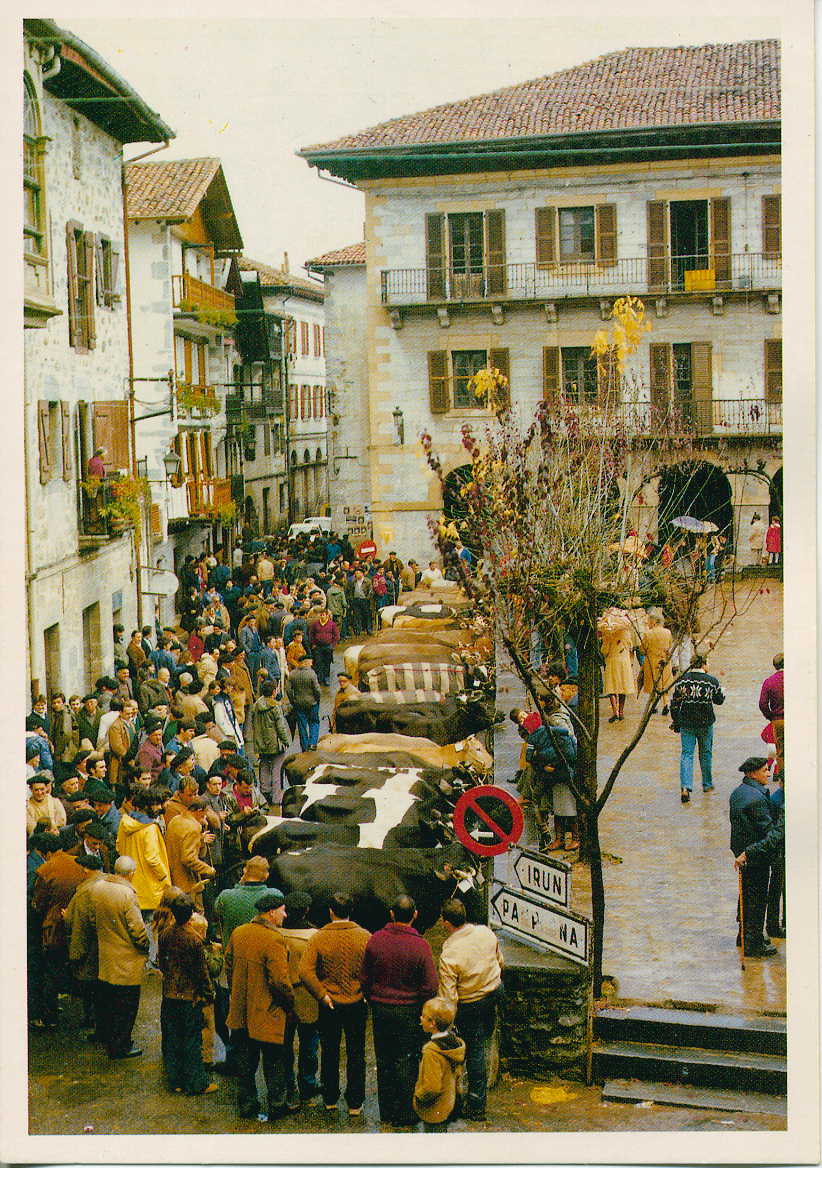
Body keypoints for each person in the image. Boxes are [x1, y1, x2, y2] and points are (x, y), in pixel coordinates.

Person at [361, 893, 439, 1127]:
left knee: (384, 1059)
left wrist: (372, 998)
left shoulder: (375, 940)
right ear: (415, 916)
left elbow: (365, 978)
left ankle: (387, 1111)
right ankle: (406, 1112)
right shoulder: (421, 946)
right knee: (407, 1060)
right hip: (410, 1011)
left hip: (381, 1009)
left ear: (392, 914)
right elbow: (431, 986)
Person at [226, 890, 295, 1122]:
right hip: (267, 1012)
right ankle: (277, 1105)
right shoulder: (274, 939)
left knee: (245, 1064)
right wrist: (289, 1004)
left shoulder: (238, 932)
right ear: (272, 912)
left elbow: (229, 965)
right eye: (283, 911)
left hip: (240, 1010)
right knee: (274, 1063)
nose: (285, 915)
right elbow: (280, 981)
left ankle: (247, 1106)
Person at [299, 892, 370, 1117]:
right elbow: (374, 968)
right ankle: (355, 1103)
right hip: (357, 1002)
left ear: (331, 912)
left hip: (329, 1003)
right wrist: (366, 991)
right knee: (356, 1053)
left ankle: (330, 1098)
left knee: (329, 1051)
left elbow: (304, 971)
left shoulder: (319, 937)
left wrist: (321, 994)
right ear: (352, 911)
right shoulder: (365, 936)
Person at [437, 897, 504, 1122]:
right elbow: (499, 961)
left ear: (446, 923)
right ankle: (486, 1082)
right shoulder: (485, 932)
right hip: (494, 992)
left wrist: (445, 1023)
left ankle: (476, 1105)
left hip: (472, 1002)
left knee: (474, 1051)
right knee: (485, 1040)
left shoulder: (449, 953)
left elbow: (449, 997)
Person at [213, 855, 273, 1077]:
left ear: (245, 872)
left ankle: (233, 1058)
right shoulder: (273, 896)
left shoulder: (226, 897)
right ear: (266, 874)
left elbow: (217, 913)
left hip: (233, 966)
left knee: (231, 1016)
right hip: (263, 968)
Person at [89, 855, 150, 1058]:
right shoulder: (127, 894)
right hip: (127, 960)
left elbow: (91, 918)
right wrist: (146, 947)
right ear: (131, 874)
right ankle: (121, 1045)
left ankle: (108, 1038)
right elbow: (138, 930)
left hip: (105, 955)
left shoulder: (98, 887)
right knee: (127, 1008)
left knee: (108, 1003)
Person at [158, 893, 218, 1096]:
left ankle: (175, 1080)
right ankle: (196, 1083)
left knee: (172, 1039)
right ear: (191, 913)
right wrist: (208, 994)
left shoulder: (165, 933)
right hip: (189, 996)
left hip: (169, 994)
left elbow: (163, 962)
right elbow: (201, 972)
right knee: (192, 1041)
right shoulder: (194, 939)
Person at [729, 757, 780, 958]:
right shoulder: (757, 798)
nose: (769, 774)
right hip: (756, 855)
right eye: (765, 770)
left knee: (746, 894)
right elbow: (767, 829)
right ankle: (753, 943)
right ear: (752, 773)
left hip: (741, 850)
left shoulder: (738, 792)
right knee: (757, 899)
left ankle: (744, 935)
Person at [280, 891, 321, 1110]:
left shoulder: (276, 933)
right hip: (308, 999)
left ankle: (289, 1088)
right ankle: (307, 1085)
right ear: (306, 910)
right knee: (309, 1045)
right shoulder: (315, 935)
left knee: (285, 1046)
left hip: (283, 998)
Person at [669, 652, 725, 802]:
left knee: (687, 754)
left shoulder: (681, 681)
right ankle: (707, 784)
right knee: (706, 753)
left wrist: (676, 721)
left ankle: (685, 787)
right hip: (705, 723)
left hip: (687, 723)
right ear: (704, 663)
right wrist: (722, 692)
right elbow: (719, 701)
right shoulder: (711, 681)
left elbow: (674, 703)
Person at [116, 789, 172, 936]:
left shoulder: (124, 823)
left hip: (129, 885)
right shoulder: (151, 828)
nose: (159, 808)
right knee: (151, 933)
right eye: (155, 804)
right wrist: (164, 879)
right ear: (145, 806)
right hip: (150, 889)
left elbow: (119, 847)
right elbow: (152, 858)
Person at [64, 852, 106, 1037]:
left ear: (86, 869)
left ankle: (92, 1020)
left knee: (90, 985)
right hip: (104, 945)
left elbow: (74, 921)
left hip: (89, 947)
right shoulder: (108, 883)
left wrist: (66, 916)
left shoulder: (84, 891)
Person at [413, 997, 466, 1133]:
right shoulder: (454, 1044)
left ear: (432, 1023)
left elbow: (431, 1087)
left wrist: (418, 1095)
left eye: (424, 1016)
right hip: (448, 1103)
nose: (420, 1018)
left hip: (434, 1109)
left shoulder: (431, 1052)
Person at [164, 796, 216, 909]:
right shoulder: (193, 828)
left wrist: (201, 839)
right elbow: (188, 858)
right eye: (205, 812)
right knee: (195, 917)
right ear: (199, 811)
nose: (206, 815)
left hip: (173, 878)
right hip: (188, 884)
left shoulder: (176, 820)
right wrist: (208, 870)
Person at [250, 680, 292, 808]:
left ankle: (264, 792)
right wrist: (286, 741)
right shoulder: (275, 707)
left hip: (261, 743)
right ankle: (276, 797)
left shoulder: (256, 705)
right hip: (275, 743)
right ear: (274, 692)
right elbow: (281, 727)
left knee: (264, 766)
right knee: (276, 768)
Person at [597, 608, 636, 722]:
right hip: (624, 661)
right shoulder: (626, 631)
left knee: (612, 687)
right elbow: (630, 645)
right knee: (623, 688)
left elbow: (605, 650)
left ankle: (615, 712)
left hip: (612, 661)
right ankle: (622, 711)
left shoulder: (608, 633)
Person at [639, 611, 674, 714]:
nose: (648, 624)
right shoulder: (668, 632)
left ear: (653, 622)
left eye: (648, 622)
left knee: (652, 684)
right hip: (664, 661)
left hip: (651, 661)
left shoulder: (647, 633)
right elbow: (670, 645)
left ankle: (653, 705)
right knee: (664, 683)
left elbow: (642, 649)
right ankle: (666, 704)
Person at [286, 656, 322, 752]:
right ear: (305, 662)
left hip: (298, 704)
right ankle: (312, 743)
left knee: (302, 726)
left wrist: (293, 701)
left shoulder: (292, 674)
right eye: (310, 662)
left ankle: (304, 747)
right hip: (312, 703)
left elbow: (288, 690)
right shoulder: (311, 674)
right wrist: (317, 699)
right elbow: (317, 690)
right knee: (314, 722)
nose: (311, 664)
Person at [758, 652, 784, 777]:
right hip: (796, 720)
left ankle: (782, 780)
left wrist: (771, 717)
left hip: (778, 721)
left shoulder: (769, 681)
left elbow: (762, 704)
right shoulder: (796, 678)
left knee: (780, 752)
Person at [308, 608, 339, 688]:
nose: (322, 616)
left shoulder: (332, 624)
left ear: (327, 615)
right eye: (321, 615)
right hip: (318, 647)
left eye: (323, 615)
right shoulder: (315, 624)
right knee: (318, 663)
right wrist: (313, 644)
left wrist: (333, 645)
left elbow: (336, 636)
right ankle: (319, 678)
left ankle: (326, 677)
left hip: (328, 647)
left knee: (327, 663)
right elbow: (311, 634)